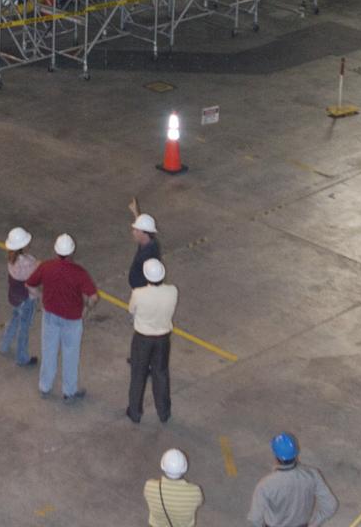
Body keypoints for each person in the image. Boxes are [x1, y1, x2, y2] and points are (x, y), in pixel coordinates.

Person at [26, 233, 99, 402]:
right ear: (72, 252)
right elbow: (93, 297)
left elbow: (30, 284)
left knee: (48, 351)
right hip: (72, 320)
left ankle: (45, 386)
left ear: (56, 250)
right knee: (70, 354)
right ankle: (69, 391)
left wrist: (39, 297)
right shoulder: (79, 273)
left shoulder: (46, 267)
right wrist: (86, 309)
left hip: (50, 316)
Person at [247, 433, 337, 527]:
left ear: (275, 455)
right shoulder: (312, 475)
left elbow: (255, 518)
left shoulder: (265, 485)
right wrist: (314, 524)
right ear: (296, 453)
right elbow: (330, 505)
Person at [127, 257, 177, 423]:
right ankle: (164, 412)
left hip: (142, 338)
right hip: (163, 338)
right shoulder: (172, 291)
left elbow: (131, 310)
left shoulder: (139, 294)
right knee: (161, 373)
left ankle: (135, 412)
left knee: (138, 374)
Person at [0, 226, 39, 368]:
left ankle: (4, 345)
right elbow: (35, 278)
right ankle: (22, 357)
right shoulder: (28, 262)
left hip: (15, 297)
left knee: (14, 319)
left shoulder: (11, 260)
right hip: (27, 299)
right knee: (24, 328)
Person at [144, 449, 204, 527]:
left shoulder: (150, 486)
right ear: (184, 468)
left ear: (162, 466)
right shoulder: (195, 492)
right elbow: (200, 502)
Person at [129, 198, 161, 289]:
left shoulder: (148, 255)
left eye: (136, 230)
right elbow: (144, 227)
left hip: (142, 290)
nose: (133, 232)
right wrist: (136, 213)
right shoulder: (148, 241)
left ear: (144, 233)